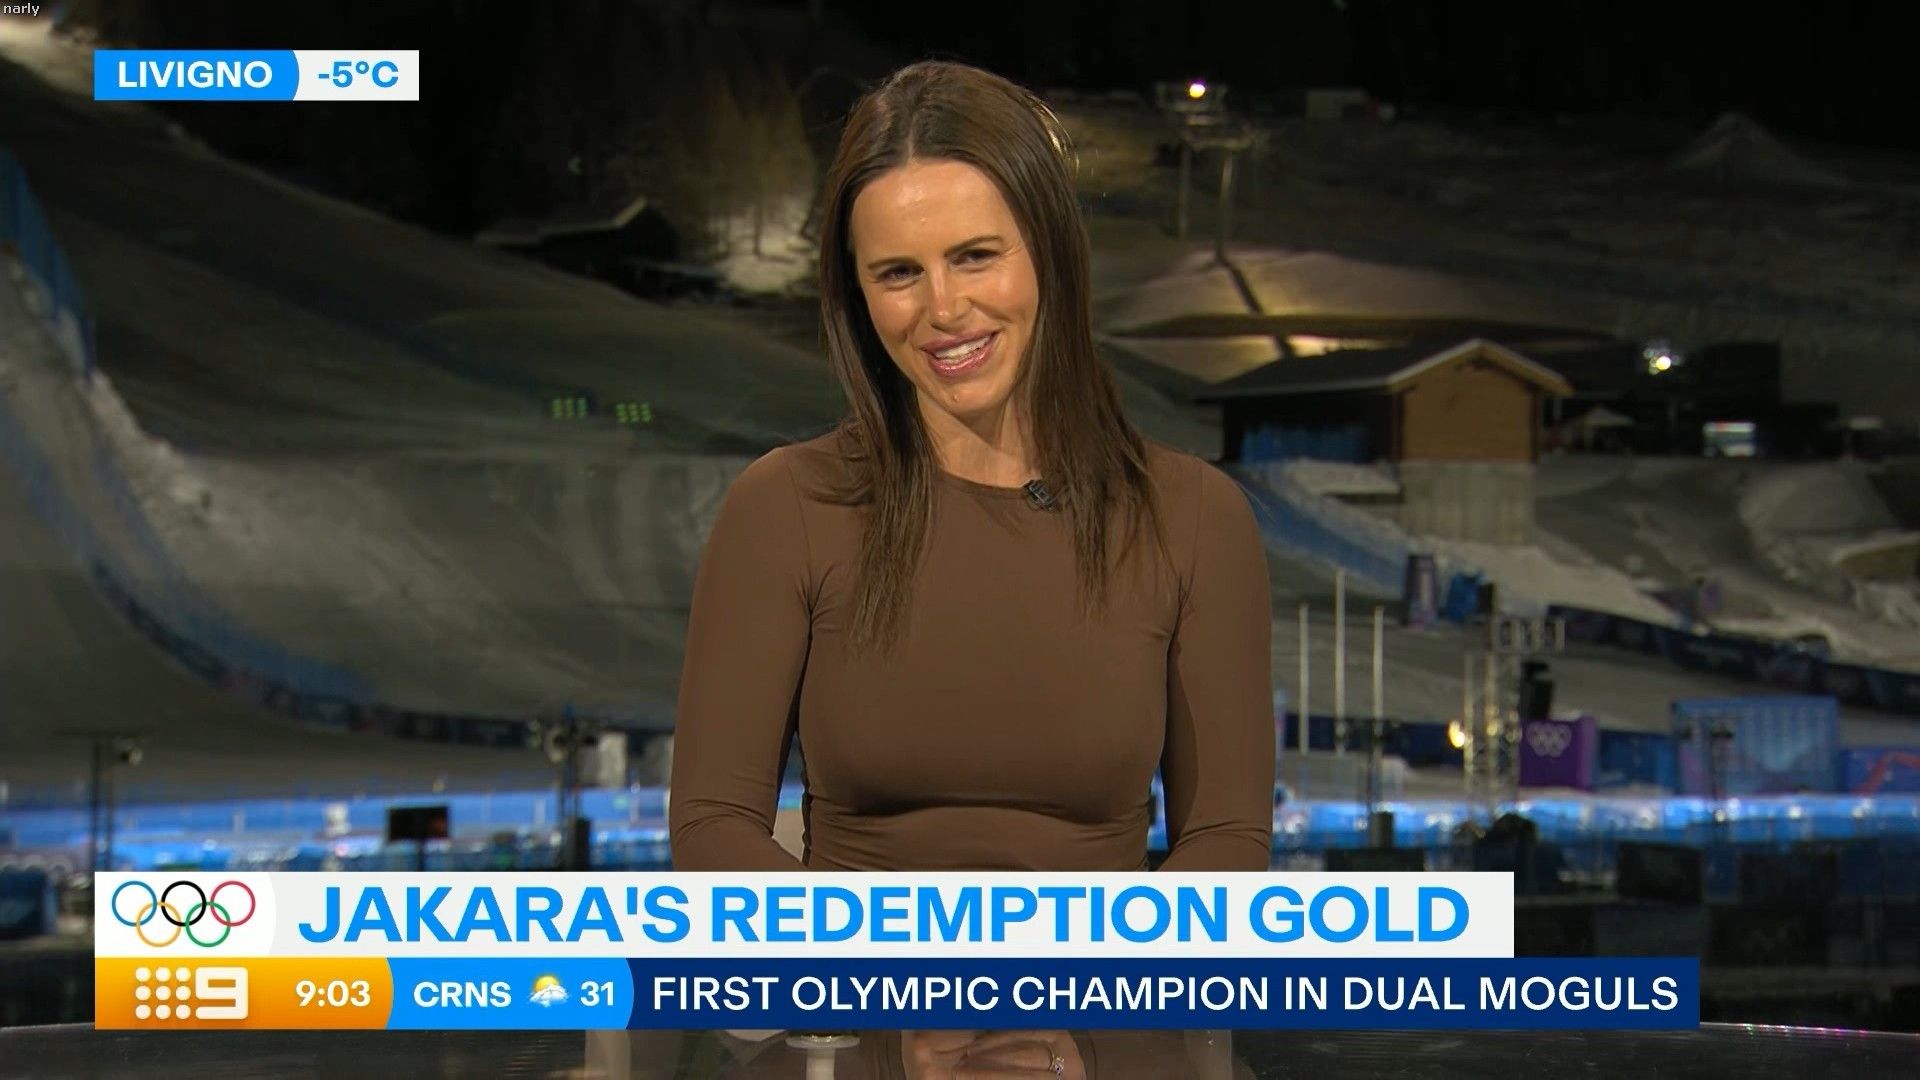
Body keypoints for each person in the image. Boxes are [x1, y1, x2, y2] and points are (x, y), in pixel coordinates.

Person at [669, 60, 1273, 874]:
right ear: (857, 295)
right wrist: (878, 950)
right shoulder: (786, 507)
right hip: (852, 958)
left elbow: (1227, 839)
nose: (944, 308)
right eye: (899, 273)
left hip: (1102, 961)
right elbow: (711, 826)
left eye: (976, 256)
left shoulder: (1193, 518)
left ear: (1050, 253)